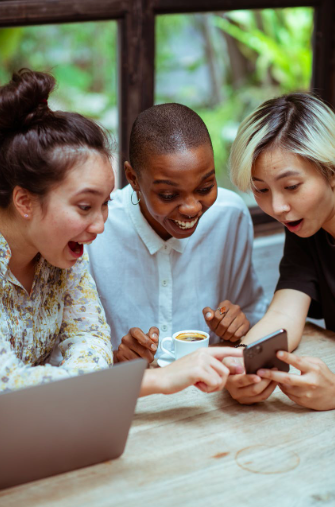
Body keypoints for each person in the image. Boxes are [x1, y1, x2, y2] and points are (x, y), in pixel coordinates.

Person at [0, 68, 244, 396]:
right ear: (24, 201)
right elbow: (7, 382)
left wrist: (87, 386)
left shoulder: (61, 255)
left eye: (104, 204)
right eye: (85, 206)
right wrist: (156, 380)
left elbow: (91, 341)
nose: (101, 225)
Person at [87, 103, 267, 363]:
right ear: (133, 178)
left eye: (205, 187)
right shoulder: (97, 232)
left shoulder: (229, 215)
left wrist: (238, 325)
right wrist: (114, 359)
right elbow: (66, 348)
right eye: (169, 195)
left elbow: (253, 310)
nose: (192, 208)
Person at [226, 92, 335, 411]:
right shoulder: (306, 226)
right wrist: (241, 365)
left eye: (291, 187)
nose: (278, 207)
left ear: (331, 170)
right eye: (261, 190)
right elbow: (283, 315)